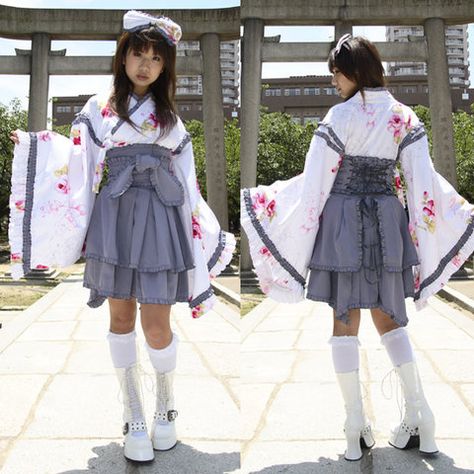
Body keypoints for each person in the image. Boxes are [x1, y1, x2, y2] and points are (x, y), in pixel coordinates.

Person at [9, 10, 235, 463]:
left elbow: (188, 180)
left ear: (165, 66)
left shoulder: (171, 118)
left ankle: (165, 405)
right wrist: (34, 145)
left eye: (156, 57)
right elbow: (76, 159)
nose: (146, 64)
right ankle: (132, 412)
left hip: (159, 217)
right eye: (138, 54)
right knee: (120, 320)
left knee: (156, 323)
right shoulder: (99, 107)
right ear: (124, 56)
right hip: (114, 215)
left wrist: (198, 231)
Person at [241, 35, 474, 461]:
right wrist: (457, 214)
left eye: (337, 70)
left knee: (344, 319)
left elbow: (315, 184)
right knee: (390, 319)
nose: (333, 79)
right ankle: (422, 416)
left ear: (355, 70)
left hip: (344, 222)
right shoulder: (404, 117)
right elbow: (423, 182)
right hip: (387, 219)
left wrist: (272, 205)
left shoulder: (339, 116)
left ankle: (354, 427)